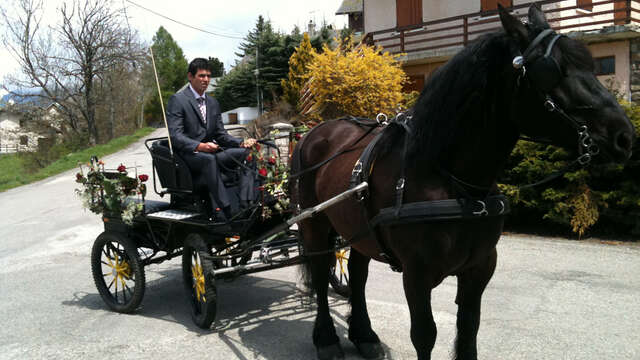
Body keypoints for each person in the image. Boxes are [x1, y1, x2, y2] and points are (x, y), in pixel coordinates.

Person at [166, 58, 257, 222]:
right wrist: (200, 146)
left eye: (208, 76)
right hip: (189, 156)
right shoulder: (178, 100)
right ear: (190, 76)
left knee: (247, 154)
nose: (206, 80)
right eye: (201, 76)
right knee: (209, 160)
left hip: (211, 153)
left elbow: (221, 134)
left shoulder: (213, 103)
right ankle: (226, 210)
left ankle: (245, 204)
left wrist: (241, 143)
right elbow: (176, 136)